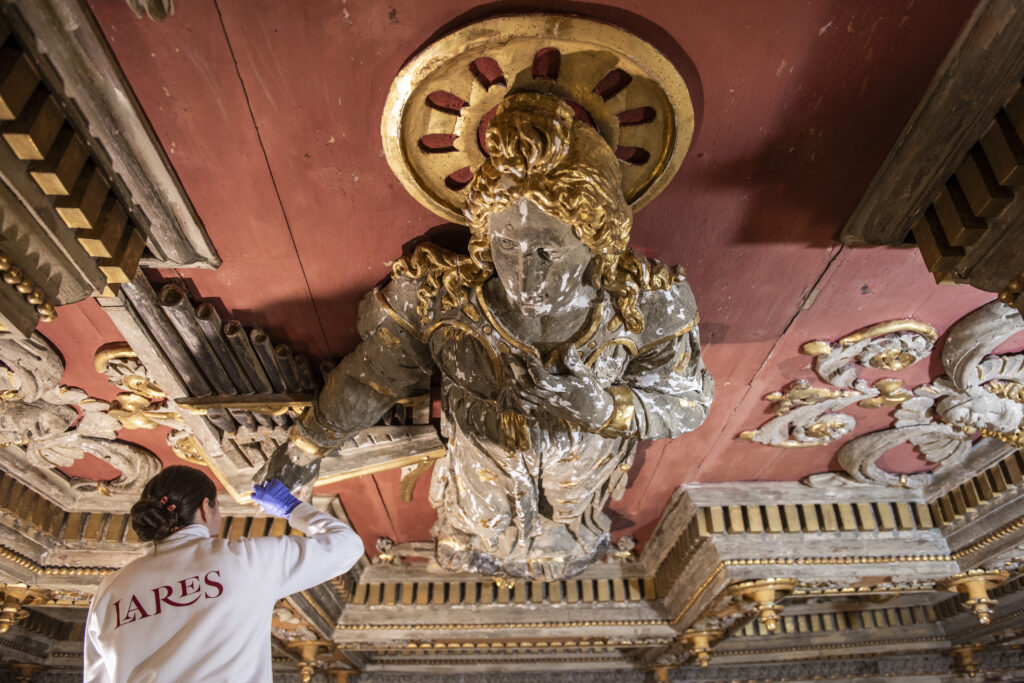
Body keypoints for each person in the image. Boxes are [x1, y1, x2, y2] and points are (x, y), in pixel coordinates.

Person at [268, 92, 713, 581]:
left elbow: (687, 402)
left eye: (547, 250)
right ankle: (477, 536)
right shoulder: (441, 296)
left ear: (596, 238)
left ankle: (562, 535)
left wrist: (607, 409)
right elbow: (372, 378)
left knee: (568, 511)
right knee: (480, 514)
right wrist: (304, 447)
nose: (524, 274)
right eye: (505, 245)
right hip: (481, 462)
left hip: (582, 463)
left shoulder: (646, 301)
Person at [83, 465, 363, 682]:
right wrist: (292, 508)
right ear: (206, 508)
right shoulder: (242, 560)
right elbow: (347, 546)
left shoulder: (111, 590)